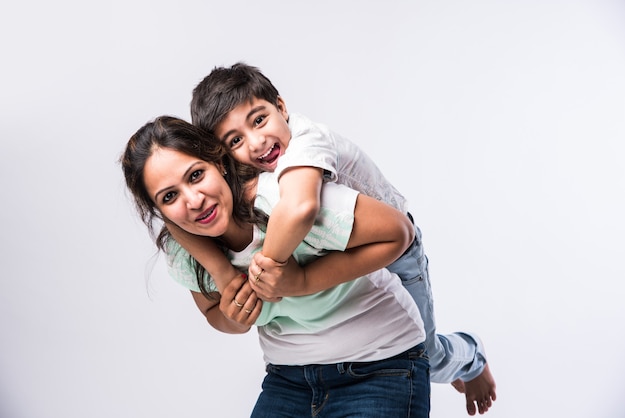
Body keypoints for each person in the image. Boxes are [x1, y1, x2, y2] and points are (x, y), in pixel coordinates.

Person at [189, 62, 496, 416]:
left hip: (398, 248)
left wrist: (270, 271)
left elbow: (301, 207)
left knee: (425, 350)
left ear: (281, 107)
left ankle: (470, 356)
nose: (257, 142)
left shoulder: (306, 141)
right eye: (236, 141)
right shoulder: (248, 175)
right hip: (337, 245)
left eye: (259, 120)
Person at [121, 115, 430, 417]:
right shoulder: (185, 249)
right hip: (288, 379)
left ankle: (466, 359)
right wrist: (235, 314)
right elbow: (212, 313)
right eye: (170, 196)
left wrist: (303, 280)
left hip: (380, 366)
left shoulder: (284, 201)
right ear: (158, 210)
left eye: (196, 175)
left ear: (217, 162)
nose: (194, 200)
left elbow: (399, 233)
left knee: (440, 354)